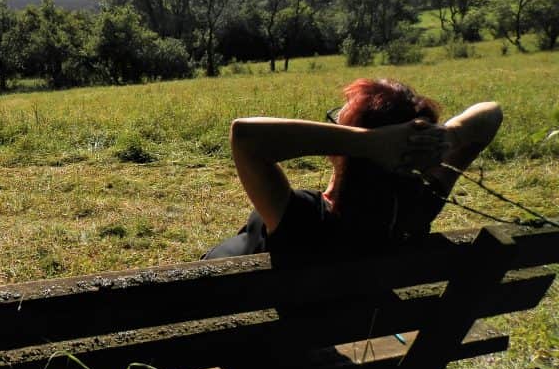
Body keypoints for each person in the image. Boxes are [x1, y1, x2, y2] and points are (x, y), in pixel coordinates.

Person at [204, 78, 503, 266]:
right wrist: (449, 135)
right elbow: (492, 113)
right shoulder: (416, 207)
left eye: (338, 123)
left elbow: (245, 136)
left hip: (246, 337)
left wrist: (365, 142)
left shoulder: (302, 216)